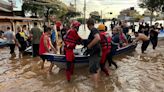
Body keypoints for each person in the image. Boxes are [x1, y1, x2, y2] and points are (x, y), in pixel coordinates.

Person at [84, 18, 101, 87]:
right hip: (97, 51)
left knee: (93, 69)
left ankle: (95, 86)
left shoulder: (93, 30)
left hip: (94, 52)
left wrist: (89, 46)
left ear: (88, 25)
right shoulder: (95, 30)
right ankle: (97, 83)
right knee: (97, 68)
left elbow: (97, 38)